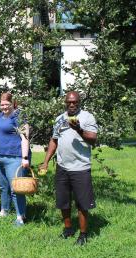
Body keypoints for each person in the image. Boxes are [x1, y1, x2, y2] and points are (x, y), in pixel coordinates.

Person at [39, 91, 97, 245]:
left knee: (82, 203)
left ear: (79, 102)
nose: (72, 104)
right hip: (62, 166)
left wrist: (78, 129)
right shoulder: (59, 119)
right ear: (65, 102)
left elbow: (93, 139)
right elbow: (54, 140)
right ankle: (68, 228)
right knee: (63, 201)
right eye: (69, 102)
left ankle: (83, 234)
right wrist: (45, 161)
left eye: (75, 102)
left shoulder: (87, 117)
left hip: (80, 167)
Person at [0, 92, 30, 227]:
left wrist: (25, 158)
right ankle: (5, 211)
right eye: (2, 104)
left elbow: (25, 138)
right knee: (3, 187)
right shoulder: (0, 116)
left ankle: (21, 216)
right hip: (0, 158)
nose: (4, 107)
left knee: (16, 189)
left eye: (7, 104)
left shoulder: (19, 116)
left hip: (14, 158)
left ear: (13, 103)